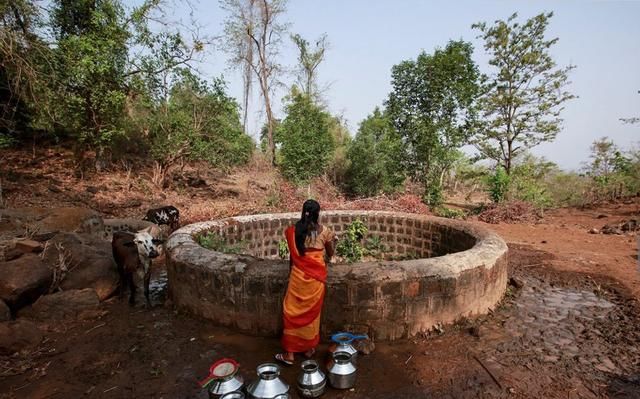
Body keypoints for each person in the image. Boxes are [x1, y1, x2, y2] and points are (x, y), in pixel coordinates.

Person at [275, 199, 335, 365]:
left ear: (303, 212)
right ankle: (309, 349)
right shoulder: (325, 232)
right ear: (318, 214)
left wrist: (291, 275)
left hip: (297, 279)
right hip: (316, 280)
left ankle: (290, 354)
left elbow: (292, 258)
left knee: (291, 311)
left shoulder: (294, 231)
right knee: (312, 315)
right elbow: (330, 253)